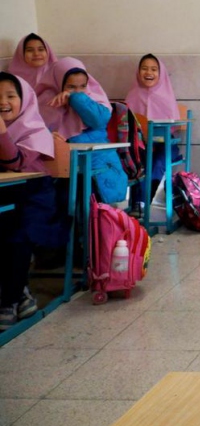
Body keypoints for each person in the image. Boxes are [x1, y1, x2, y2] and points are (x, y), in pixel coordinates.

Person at [0, 72, 63, 330]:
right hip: (5, 195)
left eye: (10, 96)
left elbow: (13, 162)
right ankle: (20, 292)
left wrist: (1, 131)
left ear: (24, 100)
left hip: (33, 198)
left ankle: (10, 300)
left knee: (16, 236)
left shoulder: (35, 131)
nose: (2, 101)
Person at [37, 58, 127, 203]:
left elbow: (99, 120)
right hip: (60, 167)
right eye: (71, 87)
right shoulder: (46, 101)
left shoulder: (93, 98)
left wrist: (75, 98)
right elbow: (36, 130)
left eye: (83, 86)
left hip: (96, 165)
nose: (79, 91)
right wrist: (49, 136)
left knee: (87, 197)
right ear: (58, 82)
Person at [125, 53, 181, 203]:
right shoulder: (132, 96)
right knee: (138, 163)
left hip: (166, 145)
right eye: (144, 68)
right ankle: (137, 204)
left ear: (160, 73)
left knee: (156, 163)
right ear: (138, 72)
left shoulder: (166, 97)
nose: (149, 73)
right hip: (141, 145)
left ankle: (143, 203)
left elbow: (174, 127)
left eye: (154, 69)